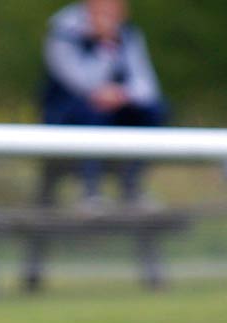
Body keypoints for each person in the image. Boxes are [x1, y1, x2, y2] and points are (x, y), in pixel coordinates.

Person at [40, 0, 168, 206]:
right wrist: (105, 46)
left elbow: (147, 85)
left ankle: (132, 185)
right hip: (68, 114)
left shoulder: (128, 34)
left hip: (115, 111)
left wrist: (123, 94)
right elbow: (77, 81)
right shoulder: (63, 32)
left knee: (154, 110)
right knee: (91, 112)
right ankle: (90, 191)